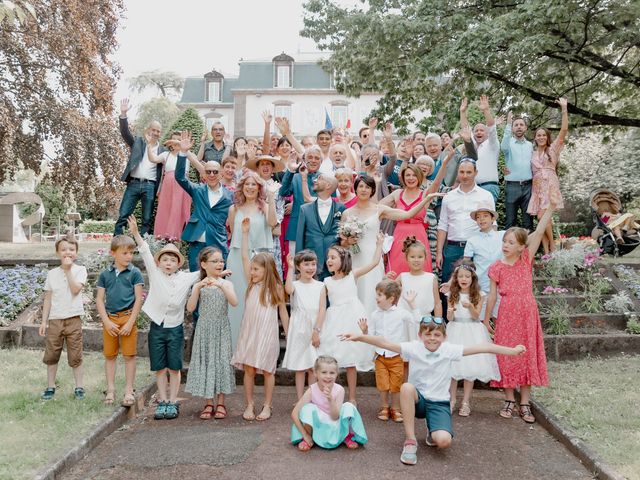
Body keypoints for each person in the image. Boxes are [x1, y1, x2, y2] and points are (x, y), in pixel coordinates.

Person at [340, 320, 525, 466]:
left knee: (443, 442)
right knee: (406, 387)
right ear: (420, 335)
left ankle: (433, 430)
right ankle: (410, 440)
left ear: (444, 337)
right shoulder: (414, 347)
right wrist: (359, 337)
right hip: (417, 400)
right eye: (428, 334)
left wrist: (513, 351)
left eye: (437, 335)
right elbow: (384, 342)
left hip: (438, 403)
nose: (432, 338)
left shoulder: (449, 350)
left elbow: (484, 347)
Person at [485, 205, 556, 424]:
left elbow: (541, 226)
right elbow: (492, 296)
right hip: (507, 314)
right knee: (506, 355)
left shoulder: (526, 259)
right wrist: (486, 319)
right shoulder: (497, 267)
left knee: (526, 354)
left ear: (521, 247)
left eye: (511, 243)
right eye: (504, 241)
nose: (506, 245)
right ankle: (509, 399)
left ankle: (524, 402)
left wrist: (550, 207)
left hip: (527, 313)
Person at [127, 215, 200, 420]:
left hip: (175, 328)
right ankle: (163, 399)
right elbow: (145, 251)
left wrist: (222, 272)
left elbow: (205, 272)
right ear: (159, 262)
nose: (168, 263)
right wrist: (135, 233)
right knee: (160, 367)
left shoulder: (186, 277)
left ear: (178, 263)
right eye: (165, 259)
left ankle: (173, 400)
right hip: (157, 327)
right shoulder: (155, 272)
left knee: (174, 367)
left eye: (173, 260)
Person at [344, 175, 443, 315]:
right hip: (355, 257)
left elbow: (407, 214)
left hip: (373, 257)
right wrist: (348, 241)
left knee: (373, 291)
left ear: (372, 190)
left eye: (367, 187)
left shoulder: (380, 210)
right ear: (355, 189)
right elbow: (342, 243)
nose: (364, 190)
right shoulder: (347, 213)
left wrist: (425, 199)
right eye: (360, 186)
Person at [231, 217, 288, 422]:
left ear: (267, 269)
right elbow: (245, 258)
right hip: (250, 331)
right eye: (252, 269)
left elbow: (283, 312)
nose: (252, 272)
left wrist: (288, 333)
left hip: (267, 332)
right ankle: (249, 404)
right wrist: (245, 234)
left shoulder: (275, 288)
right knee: (249, 368)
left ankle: (267, 404)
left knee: (267, 369)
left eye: (256, 269)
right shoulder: (251, 284)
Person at [319, 242, 382, 404]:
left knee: (351, 360)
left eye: (333, 257)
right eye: (328, 258)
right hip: (334, 319)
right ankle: (328, 394)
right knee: (331, 359)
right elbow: (320, 306)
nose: (329, 260)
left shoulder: (352, 275)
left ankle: (352, 397)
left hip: (352, 318)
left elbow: (374, 263)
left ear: (343, 259)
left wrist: (379, 244)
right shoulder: (326, 281)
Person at [185, 247, 238, 420]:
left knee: (221, 361)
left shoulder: (226, 283)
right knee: (207, 361)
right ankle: (208, 402)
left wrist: (221, 284)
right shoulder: (199, 285)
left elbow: (234, 302)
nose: (219, 263)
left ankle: (221, 403)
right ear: (204, 264)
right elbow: (191, 308)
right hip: (204, 328)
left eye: (221, 260)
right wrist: (197, 288)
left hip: (221, 328)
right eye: (214, 261)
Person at [227, 171, 278, 349]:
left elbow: (273, 224)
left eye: (253, 184)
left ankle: (257, 347)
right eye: (246, 184)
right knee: (239, 301)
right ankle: (236, 346)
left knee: (259, 302)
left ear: (259, 188)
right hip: (237, 256)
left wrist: (271, 200)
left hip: (260, 258)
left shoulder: (263, 207)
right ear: (241, 187)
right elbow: (233, 233)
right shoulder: (234, 209)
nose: (250, 187)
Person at [383, 150, 453, 274]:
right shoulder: (397, 193)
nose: (411, 178)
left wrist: (445, 163)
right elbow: (378, 207)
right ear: (403, 178)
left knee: (419, 270)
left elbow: (436, 182)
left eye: (414, 175)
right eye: (407, 175)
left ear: (419, 177)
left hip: (418, 234)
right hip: (399, 235)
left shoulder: (425, 194)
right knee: (397, 268)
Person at [358, 279, 418, 423]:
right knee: (383, 384)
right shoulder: (374, 315)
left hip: (396, 356)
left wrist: (412, 304)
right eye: (376, 294)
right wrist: (365, 331)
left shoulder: (401, 313)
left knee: (396, 385)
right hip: (380, 356)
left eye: (380, 295)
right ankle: (384, 407)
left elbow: (417, 321)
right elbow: (371, 336)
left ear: (391, 298)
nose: (376, 298)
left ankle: (396, 408)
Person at [95, 234, 144, 406]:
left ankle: (129, 390)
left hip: (128, 318)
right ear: (113, 253)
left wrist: (130, 322)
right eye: (124, 253)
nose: (129, 257)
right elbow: (99, 299)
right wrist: (106, 322)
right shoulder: (105, 275)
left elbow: (139, 298)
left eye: (131, 253)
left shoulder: (135, 273)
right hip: (110, 320)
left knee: (129, 356)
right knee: (110, 356)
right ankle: (110, 390)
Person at [174, 132, 233, 271]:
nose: (211, 175)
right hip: (197, 241)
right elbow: (180, 177)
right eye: (208, 172)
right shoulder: (197, 190)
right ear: (204, 174)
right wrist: (183, 152)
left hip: (217, 242)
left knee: (217, 280)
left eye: (215, 172)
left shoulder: (230, 195)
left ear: (220, 174)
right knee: (196, 277)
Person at [446, 264, 500, 417]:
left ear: (473, 278)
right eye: (461, 276)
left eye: (467, 276)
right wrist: (450, 312)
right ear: (456, 278)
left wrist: (469, 306)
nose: (464, 279)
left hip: (472, 330)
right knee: (453, 368)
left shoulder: (479, 294)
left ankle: (466, 402)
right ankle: (452, 400)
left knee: (470, 368)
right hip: (455, 329)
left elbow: (476, 316)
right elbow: (449, 317)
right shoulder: (452, 294)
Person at [38, 236, 87, 400]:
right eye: (64, 249)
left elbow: (75, 290)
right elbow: (48, 298)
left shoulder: (80, 270)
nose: (68, 252)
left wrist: (68, 271)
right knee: (52, 354)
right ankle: (50, 386)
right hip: (55, 320)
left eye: (71, 249)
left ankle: (79, 387)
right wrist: (44, 321)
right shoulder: (52, 274)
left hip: (73, 319)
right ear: (58, 253)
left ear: (76, 253)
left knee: (75, 355)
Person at [436, 159, 495, 294]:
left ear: (476, 173)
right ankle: (447, 315)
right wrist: (439, 252)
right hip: (452, 248)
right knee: (448, 286)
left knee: (476, 287)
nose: (465, 175)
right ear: (458, 173)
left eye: (469, 172)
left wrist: (490, 250)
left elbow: (493, 225)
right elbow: (443, 225)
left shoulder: (486, 196)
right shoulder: (448, 197)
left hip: (477, 249)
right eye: (462, 172)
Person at [291, 356, 368, 451]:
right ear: (316, 373)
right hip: (319, 425)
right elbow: (294, 413)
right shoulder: (311, 390)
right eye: (324, 372)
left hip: (335, 423)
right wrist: (304, 434)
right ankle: (307, 436)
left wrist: (330, 400)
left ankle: (346, 435)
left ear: (336, 374)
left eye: (332, 373)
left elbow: (335, 417)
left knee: (349, 406)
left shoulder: (339, 390)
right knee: (308, 408)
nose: (328, 376)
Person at [114, 98, 164, 236]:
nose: (155, 133)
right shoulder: (138, 142)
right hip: (134, 184)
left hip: (150, 186)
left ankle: (143, 246)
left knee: (147, 219)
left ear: (161, 133)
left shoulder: (163, 150)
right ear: (148, 130)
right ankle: (117, 243)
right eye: (153, 130)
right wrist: (123, 114)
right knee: (123, 214)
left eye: (158, 131)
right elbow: (125, 133)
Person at [527, 98, 569, 253]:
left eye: (544, 135)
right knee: (543, 219)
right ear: (535, 138)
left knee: (542, 218)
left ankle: (552, 245)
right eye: (538, 135)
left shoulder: (553, 149)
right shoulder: (531, 154)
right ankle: (546, 252)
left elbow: (564, 130)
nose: (541, 137)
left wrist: (564, 109)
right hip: (537, 188)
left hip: (550, 184)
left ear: (547, 137)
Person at [283, 251, 326, 400]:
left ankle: (312, 398)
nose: (310, 267)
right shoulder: (295, 284)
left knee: (312, 366)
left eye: (313, 264)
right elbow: (287, 290)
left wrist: (317, 330)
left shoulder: (321, 286)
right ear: (298, 267)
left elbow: (322, 309)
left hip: (314, 326)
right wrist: (289, 268)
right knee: (300, 367)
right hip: (299, 328)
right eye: (306, 264)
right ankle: (300, 399)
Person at [146, 131, 201, 240]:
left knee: (178, 211)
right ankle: (162, 236)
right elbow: (153, 159)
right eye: (174, 140)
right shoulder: (165, 155)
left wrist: (199, 144)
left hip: (182, 187)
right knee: (165, 210)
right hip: (167, 187)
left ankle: (177, 237)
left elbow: (197, 160)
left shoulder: (187, 154)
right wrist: (149, 145)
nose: (176, 143)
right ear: (170, 143)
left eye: (178, 140)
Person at [295, 173, 346, 280]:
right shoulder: (305, 209)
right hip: (311, 264)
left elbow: (344, 238)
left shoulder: (341, 208)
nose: (315, 181)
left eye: (320, 178)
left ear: (328, 185)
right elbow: (300, 239)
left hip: (334, 264)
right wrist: (298, 266)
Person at [245, 154, 287, 277]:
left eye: (268, 164)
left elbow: (279, 215)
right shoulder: (251, 186)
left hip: (271, 237)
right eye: (262, 164)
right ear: (257, 168)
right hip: (252, 235)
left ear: (273, 168)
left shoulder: (278, 188)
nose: (265, 167)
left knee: (271, 273)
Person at [463, 203, 505, 320]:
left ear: (492, 218)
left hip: (500, 287)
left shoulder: (502, 236)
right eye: (478, 217)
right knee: (480, 322)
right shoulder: (472, 240)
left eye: (485, 216)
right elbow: (466, 264)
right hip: (481, 286)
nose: (481, 219)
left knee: (499, 320)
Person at [395, 237, 442, 342]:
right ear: (406, 258)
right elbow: (389, 292)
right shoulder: (402, 277)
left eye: (420, 257)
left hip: (424, 322)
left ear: (425, 258)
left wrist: (438, 323)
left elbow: (437, 303)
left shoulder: (431, 278)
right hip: (405, 322)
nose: (416, 260)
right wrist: (386, 279)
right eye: (412, 257)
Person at [279, 145, 323, 253]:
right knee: (294, 264)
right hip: (296, 227)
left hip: (318, 229)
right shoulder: (296, 177)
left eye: (317, 158)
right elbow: (283, 192)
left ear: (321, 162)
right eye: (310, 157)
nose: (313, 160)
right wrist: (290, 170)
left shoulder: (326, 179)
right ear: (304, 160)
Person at [460, 96, 500, 202]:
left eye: (482, 130)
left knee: (486, 217)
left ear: (487, 133)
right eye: (476, 130)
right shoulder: (471, 146)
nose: (479, 132)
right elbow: (465, 129)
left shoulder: (492, 145)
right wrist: (462, 112)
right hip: (472, 188)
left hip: (489, 187)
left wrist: (486, 110)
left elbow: (492, 127)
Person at [501, 112, 534, 230]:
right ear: (512, 128)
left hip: (528, 187)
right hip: (512, 187)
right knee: (510, 221)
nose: (519, 127)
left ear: (525, 128)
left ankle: (529, 249)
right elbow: (503, 147)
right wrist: (508, 124)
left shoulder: (530, 145)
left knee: (528, 222)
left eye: (521, 124)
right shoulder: (508, 144)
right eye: (516, 125)